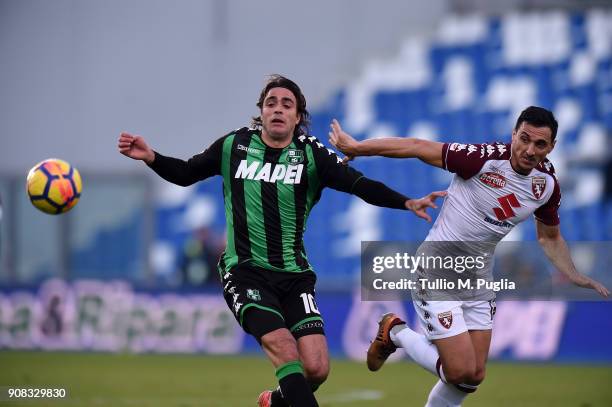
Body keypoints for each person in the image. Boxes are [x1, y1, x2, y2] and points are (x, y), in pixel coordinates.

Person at [118, 75, 445, 407]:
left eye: (286, 104)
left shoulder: (311, 155)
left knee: (316, 369)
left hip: (294, 276)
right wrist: (152, 157)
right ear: (260, 111)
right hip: (245, 273)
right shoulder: (234, 146)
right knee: (285, 349)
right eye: (270, 103)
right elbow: (187, 173)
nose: (277, 109)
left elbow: (359, 184)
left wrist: (406, 201)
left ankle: (273, 403)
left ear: (298, 116)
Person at [329, 106, 609, 407]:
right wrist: (358, 147)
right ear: (513, 134)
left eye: (540, 144)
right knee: (458, 370)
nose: (529, 149)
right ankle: (394, 330)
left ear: (551, 147)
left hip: (478, 277)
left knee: (472, 376)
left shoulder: (546, 185)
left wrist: (574, 274)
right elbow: (416, 146)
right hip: (437, 268)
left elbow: (549, 237)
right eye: (524, 138)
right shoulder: (482, 158)